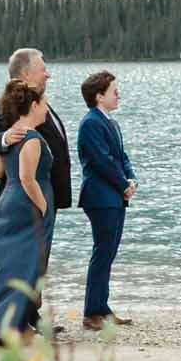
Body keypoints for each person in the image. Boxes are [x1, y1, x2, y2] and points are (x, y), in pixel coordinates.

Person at [0, 47, 73, 330]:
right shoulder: (6, 107)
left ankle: (31, 315)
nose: (48, 72)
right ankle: (17, 318)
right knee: (22, 258)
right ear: (25, 73)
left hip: (46, 196)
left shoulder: (39, 103)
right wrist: (5, 138)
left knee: (39, 259)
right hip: (26, 198)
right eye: (42, 67)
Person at [0, 78, 55, 346]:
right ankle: (13, 327)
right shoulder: (31, 138)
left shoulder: (11, 135)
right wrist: (42, 205)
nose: (47, 111)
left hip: (8, 203)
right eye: (44, 106)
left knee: (4, 264)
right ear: (32, 105)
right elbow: (27, 178)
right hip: (25, 207)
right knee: (24, 266)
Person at [77, 69, 137, 332]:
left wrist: (131, 179)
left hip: (114, 196)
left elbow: (121, 157)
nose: (118, 94)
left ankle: (102, 308)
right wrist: (123, 184)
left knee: (108, 253)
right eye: (114, 90)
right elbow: (101, 161)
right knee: (102, 253)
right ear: (99, 96)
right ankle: (92, 313)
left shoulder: (111, 122)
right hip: (100, 197)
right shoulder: (90, 123)